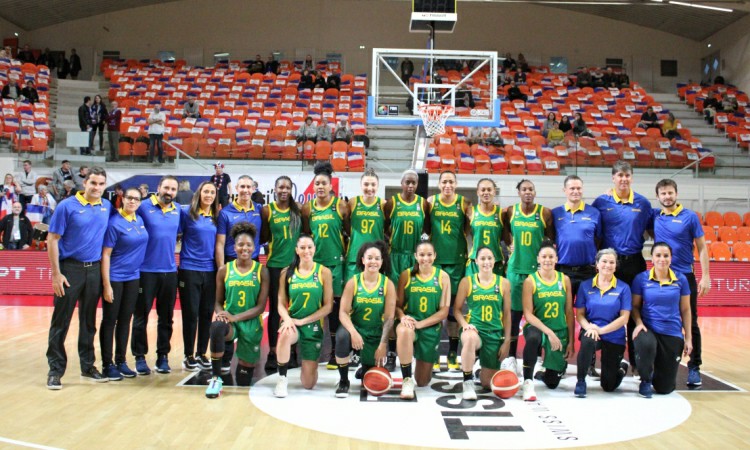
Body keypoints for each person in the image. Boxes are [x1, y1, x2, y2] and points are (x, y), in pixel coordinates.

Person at [46, 166, 111, 389]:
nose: (97, 187)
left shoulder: (106, 206)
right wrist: (56, 274)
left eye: (101, 184)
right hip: (70, 269)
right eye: (93, 183)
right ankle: (55, 370)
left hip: (93, 270)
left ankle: (88, 365)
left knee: (89, 321)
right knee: (60, 322)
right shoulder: (67, 206)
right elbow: (52, 240)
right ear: (84, 182)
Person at [592, 161, 652, 372]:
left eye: (627, 175)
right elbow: (594, 232)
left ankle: (636, 363)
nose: (624, 179)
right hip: (609, 264)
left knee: (634, 310)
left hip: (634, 262)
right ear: (613, 178)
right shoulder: (601, 202)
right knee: (604, 310)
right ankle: (596, 361)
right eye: (620, 175)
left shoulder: (643, 204)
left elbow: (653, 231)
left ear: (632, 178)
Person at [652, 179, 710, 386]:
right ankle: (655, 364)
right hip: (660, 277)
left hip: (684, 276)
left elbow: (702, 247)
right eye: (663, 194)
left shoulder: (689, 217)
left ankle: (694, 367)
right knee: (656, 318)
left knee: (690, 321)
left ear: (676, 194)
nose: (667, 197)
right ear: (658, 197)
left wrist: (705, 275)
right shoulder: (655, 216)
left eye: (670, 193)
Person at [204, 223, 269, 398]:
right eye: (240, 245)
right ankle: (216, 378)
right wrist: (221, 314)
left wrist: (235, 317)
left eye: (248, 245)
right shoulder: (224, 269)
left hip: (250, 323)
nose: (244, 248)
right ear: (234, 247)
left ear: (254, 248)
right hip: (229, 322)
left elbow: (260, 307)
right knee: (216, 327)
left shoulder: (262, 271)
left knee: (243, 380)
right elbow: (217, 302)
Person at [502, 179, 554, 375]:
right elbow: (505, 234)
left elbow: (550, 239)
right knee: (514, 316)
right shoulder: (509, 211)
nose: (528, 192)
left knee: (538, 316)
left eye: (531, 189)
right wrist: (509, 247)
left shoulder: (544, 212)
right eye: (524, 189)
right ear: (518, 192)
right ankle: (511, 358)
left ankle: (539, 357)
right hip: (515, 270)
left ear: (535, 191)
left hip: (536, 272)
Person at [302, 162, 350, 369]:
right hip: (315, 266)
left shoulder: (340, 206)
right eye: (317, 183)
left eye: (324, 183)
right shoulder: (307, 208)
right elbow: (306, 235)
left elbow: (347, 233)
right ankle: (311, 349)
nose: (320, 186)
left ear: (331, 186)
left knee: (334, 310)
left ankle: (335, 351)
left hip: (336, 265)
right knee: (314, 306)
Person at [552, 175, 602, 376]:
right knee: (562, 318)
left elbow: (599, 240)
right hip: (563, 271)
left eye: (579, 188)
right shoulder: (555, 214)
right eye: (572, 188)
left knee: (589, 316)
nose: (575, 191)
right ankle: (559, 362)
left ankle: (589, 363)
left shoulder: (594, 213)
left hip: (588, 272)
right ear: (564, 190)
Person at [131, 176, 180, 376]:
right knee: (141, 317)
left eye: (173, 189)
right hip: (145, 272)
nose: (169, 191)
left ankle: (163, 356)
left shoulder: (178, 210)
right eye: (166, 187)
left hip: (169, 272)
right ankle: (140, 357)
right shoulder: (142, 207)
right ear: (158, 188)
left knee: (166, 318)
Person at [273, 235, 334, 397]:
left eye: (309, 247)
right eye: (302, 248)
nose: (306, 251)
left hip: (312, 324)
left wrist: (304, 320)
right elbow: (280, 302)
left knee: (308, 384)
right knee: (285, 334)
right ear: (297, 250)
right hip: (292, 321)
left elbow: (328, 306)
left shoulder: (324, 272)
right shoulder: (287, 272)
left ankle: (311, 368)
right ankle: (282, 378)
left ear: (314, 249)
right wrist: (286, 319)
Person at [334, 241, 397, 397]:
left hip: (375, 332)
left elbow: (389, 318)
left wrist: (383, 344)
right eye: (369, 258)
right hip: (356, 328)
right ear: (363, 260)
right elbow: (342, 312)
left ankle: (364, 366)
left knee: (369, 377)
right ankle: (343, 381)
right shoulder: (353, 282)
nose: (373, 262)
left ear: (382, 262)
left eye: (377, 258)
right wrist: (353, 332)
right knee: (341, 337)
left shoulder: (387, 284)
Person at [100, 187, 149, 381]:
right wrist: (107, 285)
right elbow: (106, 254)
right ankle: (107, 364)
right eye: (129, 198)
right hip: (115, 278)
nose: (132, 202)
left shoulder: (140, 220)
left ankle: (121, 361)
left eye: (136, 199)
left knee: (126, 320)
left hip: (133, 277)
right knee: (110, 321)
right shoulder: (114, 223)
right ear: (123, 199)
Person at [631, 242, 692, 397]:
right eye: (658, 255)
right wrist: (639, 323)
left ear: (671, 258)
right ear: (652, 257)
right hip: (649, 329)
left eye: (666, 255)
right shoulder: (641, 279)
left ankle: (658, 375)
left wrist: (688, 338)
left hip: (672, 332)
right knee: (645, 344)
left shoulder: (681, 280)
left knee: (664, 388)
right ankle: (645, 380)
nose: (662, 259)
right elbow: (635, 307)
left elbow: (685, 309)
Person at [454, 247, 511, 400]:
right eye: (483, 259)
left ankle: (479, 369)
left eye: (490, 258)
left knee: (487, 383)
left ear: (495, 261)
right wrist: (464, 324)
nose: (486, 262)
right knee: (470, 338)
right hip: (475, 329)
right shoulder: (467, 282)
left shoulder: (504, 283)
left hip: (494, 333)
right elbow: (457, 310)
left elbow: (506, 314)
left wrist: (506, 341)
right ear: (476, 261)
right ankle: (467, 381)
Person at [396, 241, 451, 399]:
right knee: (405, 332)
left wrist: (421, 324)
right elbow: (398, 306)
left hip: (430, 327)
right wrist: (402, 316)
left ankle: (425, 361)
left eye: (429, 254)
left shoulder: (443, 277)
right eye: (421, 255)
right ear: (415, 256)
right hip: (410, 323)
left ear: (435, 256)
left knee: (422, 381)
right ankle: (407, 379)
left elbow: (443, 312)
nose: (425, 258)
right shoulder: (406, 274)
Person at [574, 249, 632, 397]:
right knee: (587, 341)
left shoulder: (623, 288)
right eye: (604, 261)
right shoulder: (585, 286)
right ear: (597, 265)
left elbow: (624, 318)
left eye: (611, 262)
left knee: (609, 386)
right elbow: (579, 314)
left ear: (616, 265)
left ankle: (621, 368)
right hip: (591, 330)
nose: (608, 265)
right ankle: (581, 381)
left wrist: (601, 330)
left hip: (613, 335)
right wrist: (589, 327)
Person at [429, 171, 471, 371]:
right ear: (439, 184)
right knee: (437, 310)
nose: (447, 185)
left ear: (456, 184)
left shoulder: (464, 203)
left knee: (455, 311)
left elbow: (473, 229)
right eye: (444, 181)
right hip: (435, 264)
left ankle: (453, 352)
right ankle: (434, 353)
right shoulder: (431, 202)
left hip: (456, 262)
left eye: (451, 182)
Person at [521, 243, 574, 401]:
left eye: (551, 256)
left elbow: (569, 312)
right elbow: (528, 315)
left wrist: (571, 341)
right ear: (538, 259)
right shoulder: (530, 281)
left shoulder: (564, 280)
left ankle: (543, 374)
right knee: (533, 338)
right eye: (544, 256)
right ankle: (527, 381)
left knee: (552, 383)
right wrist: (548, 332)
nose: (547, 260)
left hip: (559, 330)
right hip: (538, 327)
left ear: (557, 259)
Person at [260, 176, 302, 373]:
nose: (284, 190)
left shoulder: (299, 210)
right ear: (275, 189)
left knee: (294, 309)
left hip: (295, 267)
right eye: (280, 187)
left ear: (291, 189)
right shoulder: (268, 211)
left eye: (287, 187)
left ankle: (292, 350)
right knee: (276, 311)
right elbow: (264, 237)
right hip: (275, 266)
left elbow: (306, 234)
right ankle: (273, 352)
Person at [178, 182, 219, 372]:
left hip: (210, 271)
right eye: (206, 191)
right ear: (199, 193)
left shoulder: (216, 217)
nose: (209, 195)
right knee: (191, 314)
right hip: (189, 269)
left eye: (212, 192)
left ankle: (202, 352)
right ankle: (188, 355)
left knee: (206, 313)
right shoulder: (186, 214)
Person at [384, 169, 431, 284]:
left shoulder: (423, 203)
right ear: (402, 183)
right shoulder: (392, 203)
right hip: (395, 254)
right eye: (407, 182)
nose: (410, 186)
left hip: (414, 254)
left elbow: (427, 229)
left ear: (417, 184)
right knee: (394, 290)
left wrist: (421, 242)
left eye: (413, 183)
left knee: (412, 290)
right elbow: (384, 228)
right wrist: (393, 238)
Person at [216, 175, 262, 265]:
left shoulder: (259, 209)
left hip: (253, 261)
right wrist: (221, 269)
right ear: (236, 188)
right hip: (232, 261)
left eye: (248, 187)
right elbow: (220, 244)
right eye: (242, 186)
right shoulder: (225, 213)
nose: (245, 190)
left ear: (253, 189)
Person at [466, 178, 503, 278]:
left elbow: (507, 237)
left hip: (496, 261)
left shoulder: (501, 213)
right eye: (483, 190)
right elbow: (464, 234)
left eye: (489, 190)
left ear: (494, 192)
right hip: (475, 261)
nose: (486, 192)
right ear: (478, 192)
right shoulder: (470, 211)